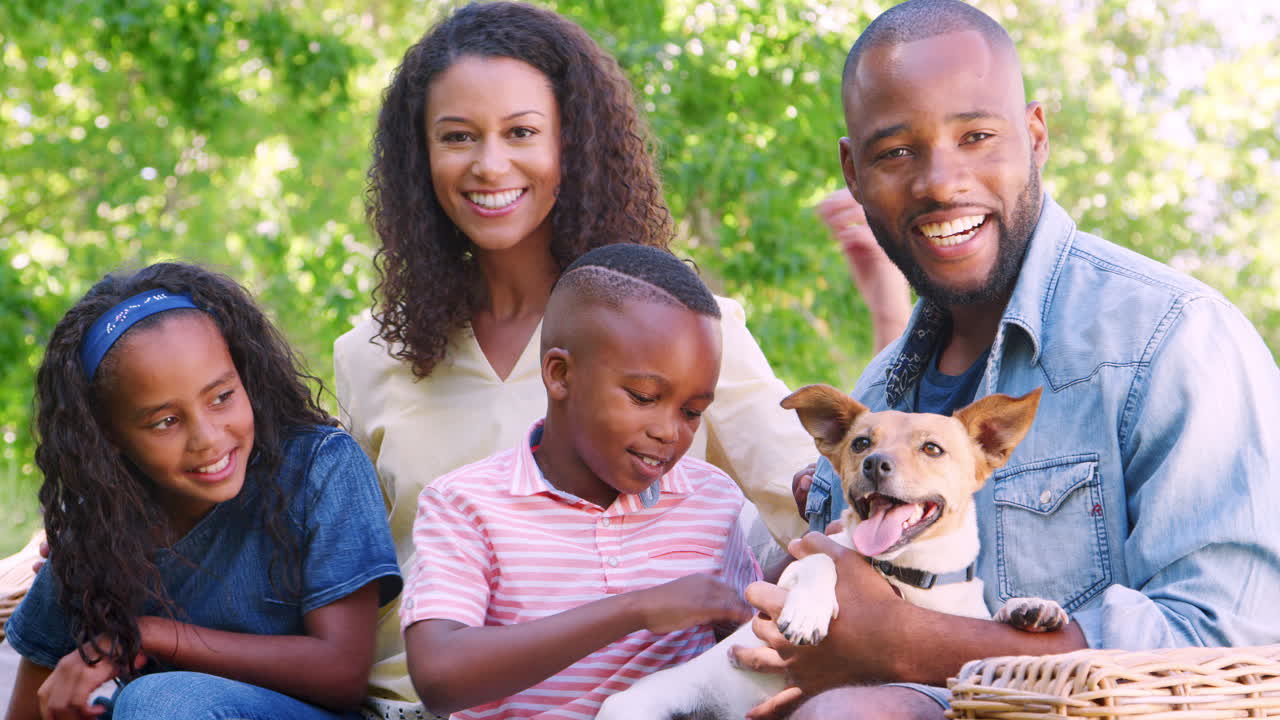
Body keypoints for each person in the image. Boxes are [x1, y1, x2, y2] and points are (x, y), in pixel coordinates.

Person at [332, 1, 909, 707]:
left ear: (572, 144)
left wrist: (889, 313)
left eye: (522, 132)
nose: (489, 164)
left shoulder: (682, 334)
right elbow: (359, 595)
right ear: (420, 156)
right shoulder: (369, 357)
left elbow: (827, 503)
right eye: (457, 136)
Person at [733, 1, 1280, 718]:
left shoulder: (1171, 340)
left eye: (977, 136)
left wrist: (905, 641)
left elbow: (1229, 641)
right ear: (853, 170)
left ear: (1035, 134)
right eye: (896, 151)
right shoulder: (876, 397)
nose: (939, 181)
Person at [4, 262, 402, 720]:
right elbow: (35, 696)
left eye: (221, 397)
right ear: (107, 434)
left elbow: (341, 674)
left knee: (160, 701)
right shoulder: (100, 523)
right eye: (165, 422)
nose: (209, 439)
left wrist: (147, 633)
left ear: (245, 377)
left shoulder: (319, 468)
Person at [400, 243, 759, 718]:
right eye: (643, 396)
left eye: (692, 412)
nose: (670, 431)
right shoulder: (464, 504)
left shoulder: (713, 500)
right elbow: (439, 676)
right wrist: (636, 610)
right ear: (560, 374)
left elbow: (751, 643)